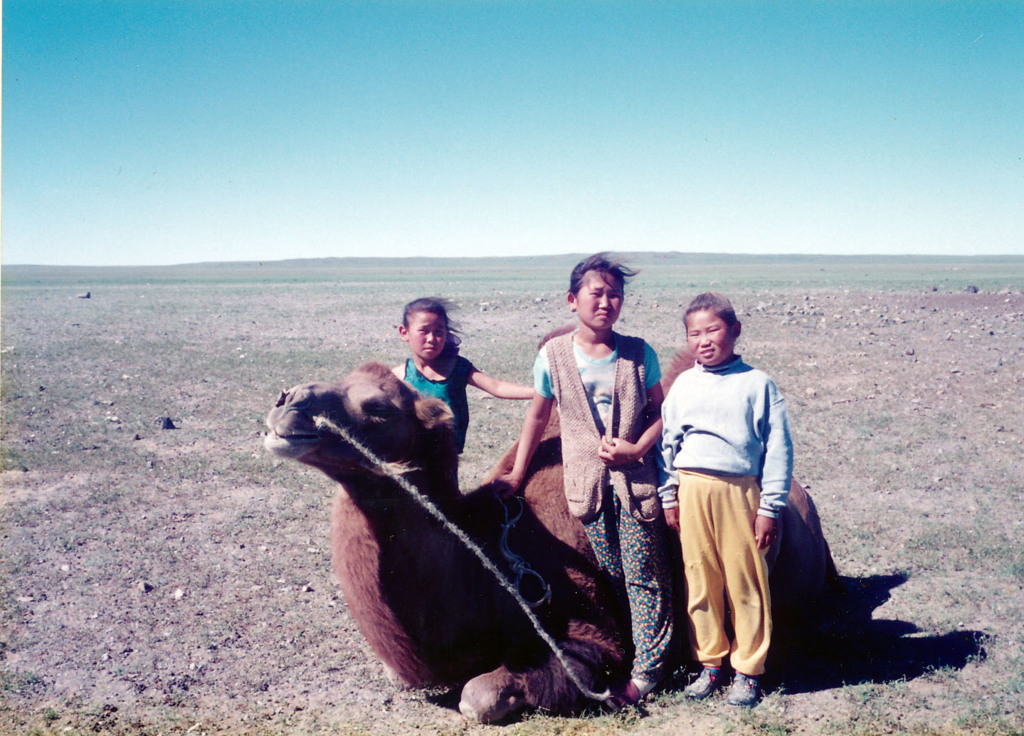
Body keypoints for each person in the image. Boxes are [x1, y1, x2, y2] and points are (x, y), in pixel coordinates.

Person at [498, 254, 673, 706]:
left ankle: (648, 672)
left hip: (635, 482)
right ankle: (637, 649)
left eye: (615, 294)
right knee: (611, 574)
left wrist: (637, 448)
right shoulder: (552, 356)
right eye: (597, 293)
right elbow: (537, 415)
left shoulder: (639, 352)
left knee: (644, 574)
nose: (607, 302)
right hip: (586, 487)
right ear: (572, 300)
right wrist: (516, 475)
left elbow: (663, 412)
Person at [658, 292, 793, 708]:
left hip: (740, 491)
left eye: (713, 330)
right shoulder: (683, 385)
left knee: (746, 581)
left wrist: (770, 506)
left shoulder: (758, 383)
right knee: (700, 580)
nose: (704, 340)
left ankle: (749, 670)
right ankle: (710, 664)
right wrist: (669, 495)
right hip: (692, 487)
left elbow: (779, 448)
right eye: (694, 333)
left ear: (734, 331)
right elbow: (668, 443)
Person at [392, 297, 533, 453]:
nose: (431, 339)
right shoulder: (398, 377)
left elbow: (496, 387)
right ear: (404, 333)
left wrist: (539, 392)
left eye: (438, 332)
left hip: (447, 459)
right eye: (424, 331)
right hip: (410, 458)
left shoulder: (457, 368)